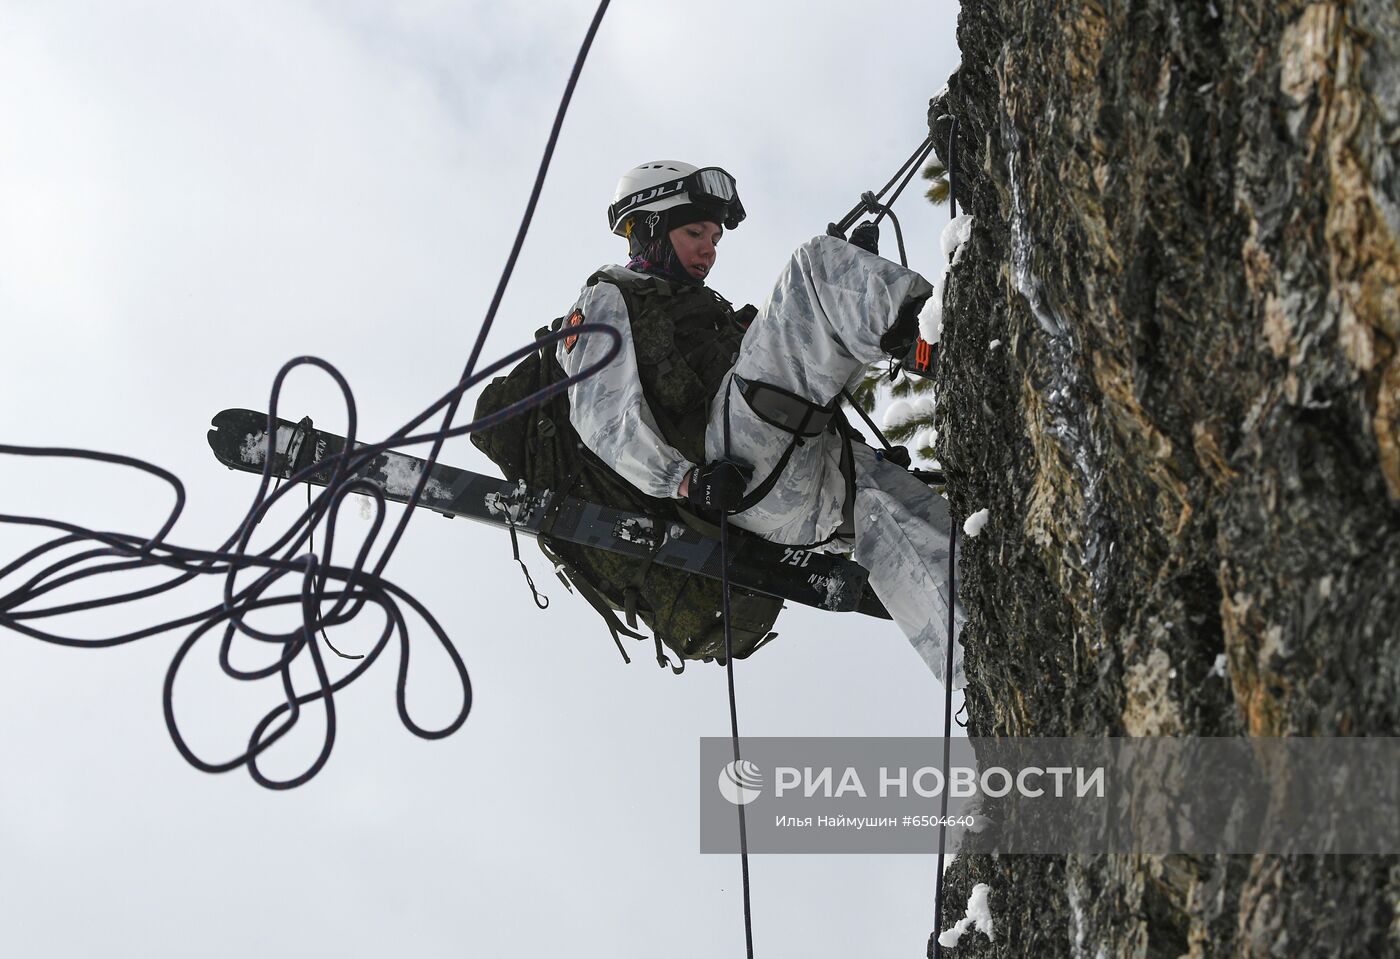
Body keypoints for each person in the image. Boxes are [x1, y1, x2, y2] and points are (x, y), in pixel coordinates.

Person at [557, 160, 965, 687]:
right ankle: (947, 335)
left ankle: (981, 657)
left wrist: (853, 275)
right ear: (650, 227)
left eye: (715, 238)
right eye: (694, 232)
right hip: (728, 472)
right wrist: (685, 481)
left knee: (927, 527)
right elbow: (602, 417)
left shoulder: (709, 309)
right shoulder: (607, 296)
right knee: (816, 268)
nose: (709, 249)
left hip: (794, 484)